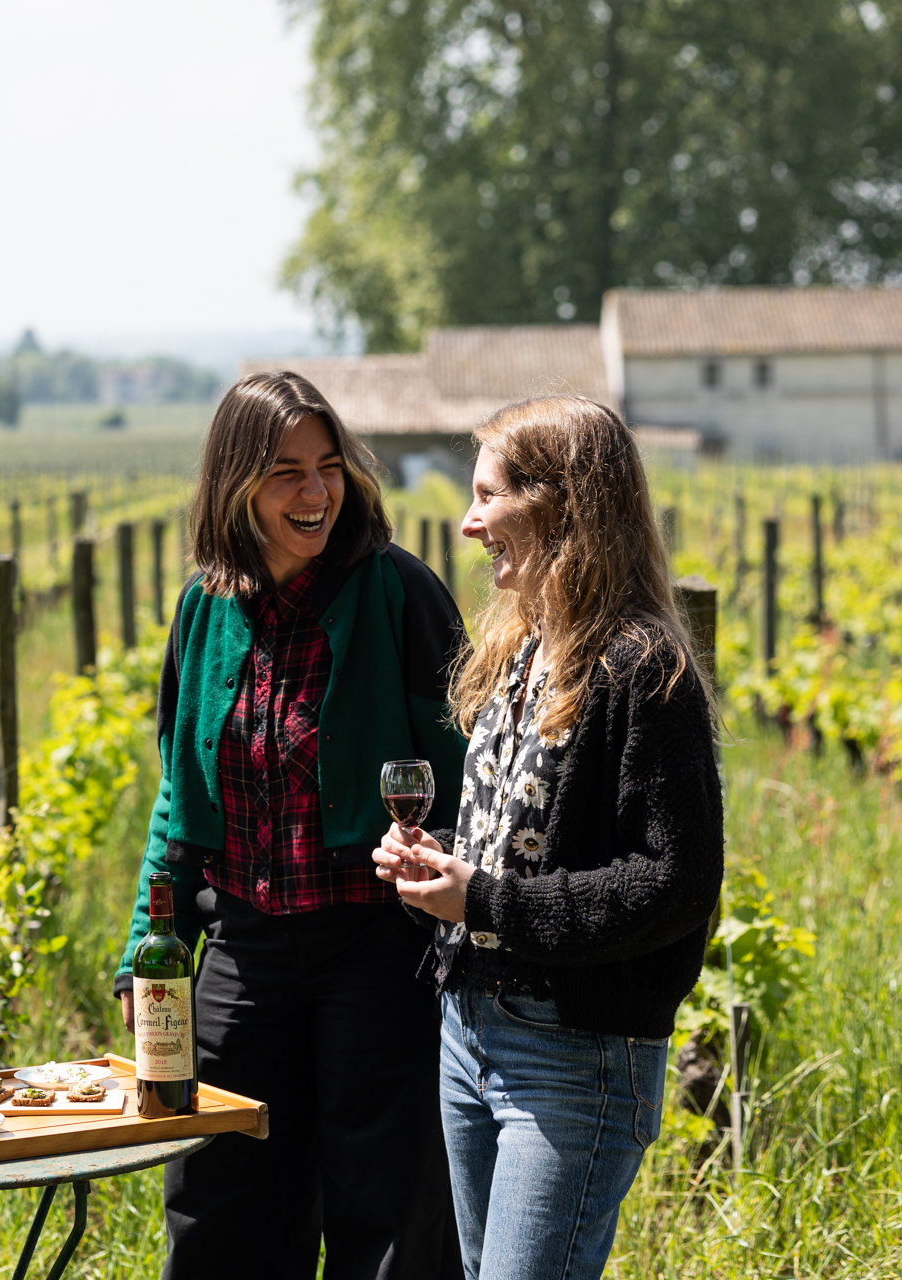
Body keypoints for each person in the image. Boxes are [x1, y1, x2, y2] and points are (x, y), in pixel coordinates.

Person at [113, 371, 469, 1279]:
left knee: (387, 1214)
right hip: (244, 950)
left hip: (378, 948)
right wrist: (145, 949)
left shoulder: (399, 592)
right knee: (221, 1203)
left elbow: (470, 773)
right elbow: (178, 797)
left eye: (329, 466)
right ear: (234, 483)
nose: (316, 491)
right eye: (285, 471)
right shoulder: (204, 608)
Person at [375, 395, 724, 1280]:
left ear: (561, 507)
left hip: (574, 1054)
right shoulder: (523, 650)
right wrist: (440, 870)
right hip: (469, 1030)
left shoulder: (644, 670)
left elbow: (674, 883)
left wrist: (483, 900)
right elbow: (526, 842)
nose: (468, 523)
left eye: (488, 497)